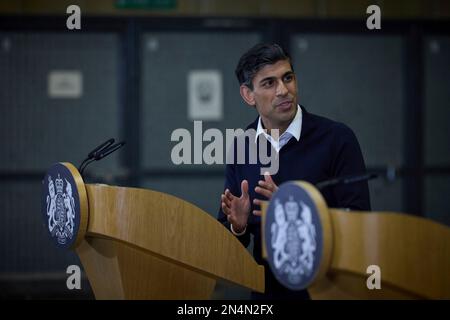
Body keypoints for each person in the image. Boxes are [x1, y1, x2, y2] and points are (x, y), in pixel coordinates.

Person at [217, 43, 371, 300]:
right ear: (248, 95)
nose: (283, 90)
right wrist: (238, 227)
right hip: (266, 295)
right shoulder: (242, 145)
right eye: (269, 83)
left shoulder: (336, 139)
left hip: (325, 291)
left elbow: (359, 222)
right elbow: (230, 237)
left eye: (287, 78)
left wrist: (296, 209)